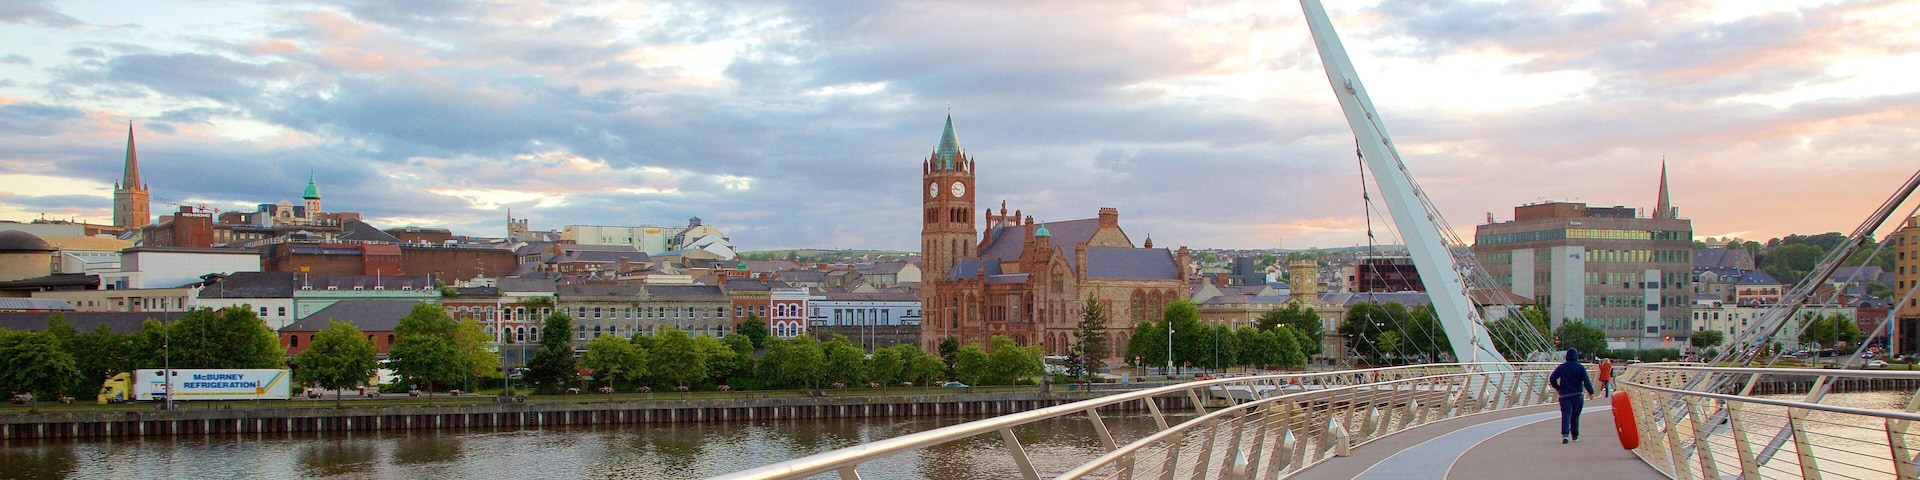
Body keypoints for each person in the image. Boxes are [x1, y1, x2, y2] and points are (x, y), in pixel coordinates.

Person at [1549, 348, 1595, 443]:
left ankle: (1565, 435)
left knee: (1565, 414)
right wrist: (1591, 392)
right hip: (1577, 394)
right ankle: (1575, 435)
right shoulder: (1580, 367)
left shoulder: (1562, 367)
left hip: (1564, 394)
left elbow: (1552, 378)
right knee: (1575, 415)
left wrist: (1558, 388)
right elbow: (1586, 381)